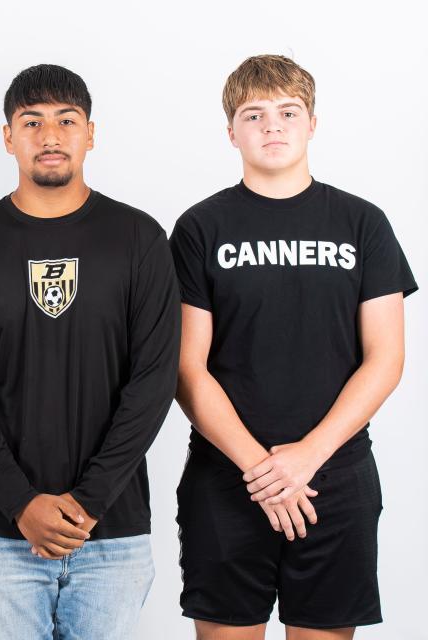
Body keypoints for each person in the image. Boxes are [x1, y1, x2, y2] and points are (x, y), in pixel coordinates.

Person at [170, 54, 417, 639]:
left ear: (312, 123)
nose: (272, 126)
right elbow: (186, 367)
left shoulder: (363, 223)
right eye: (253, 115)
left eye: (288, 112)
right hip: (228, 477)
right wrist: (261, 468)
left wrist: (306, 455)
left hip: (335, 476)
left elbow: (386, 358)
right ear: (231, 131)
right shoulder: (200, 228)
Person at [0, 63, 180, 639]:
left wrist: (88, 502)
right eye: (32, 121)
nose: (50, 136)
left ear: (90, 133)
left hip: (112, 531)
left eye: (67, 121)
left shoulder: (140, 239)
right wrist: (22, 504)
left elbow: (153, 381)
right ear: (7, 136)